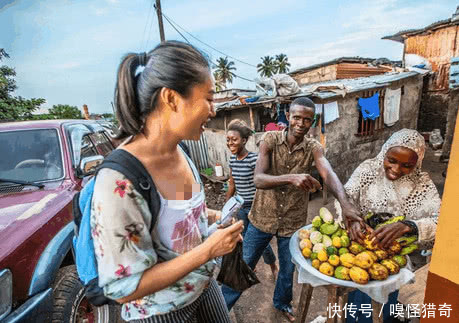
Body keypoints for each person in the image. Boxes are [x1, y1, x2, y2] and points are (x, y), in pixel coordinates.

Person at [90, 41, 244, 322]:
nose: (213, 110)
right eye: (208, 98)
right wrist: (209, 250)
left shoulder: (180, 151)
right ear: (171, 98)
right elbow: (124, 289)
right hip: (161, 312)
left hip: (204, 289)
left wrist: (215, 216)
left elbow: (175, 213)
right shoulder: (118, 183)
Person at [221, 97, 362, 322]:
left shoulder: (314, 147)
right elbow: (258, 179)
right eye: (297, 117)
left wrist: (345, 204)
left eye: (307, 120)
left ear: (312, 122)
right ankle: (220, 308)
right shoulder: (270, 139)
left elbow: (328, 173)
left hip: (292, 222)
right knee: (244, 266)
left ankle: (282, 303)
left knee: (288, 271)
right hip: (261, 218)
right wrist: (291, 178)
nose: (301, 123)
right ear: (288, 117)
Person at [334, 128, 441, 323]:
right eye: (391, 160)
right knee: (358, 307)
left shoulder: (422, 185)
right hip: (359, 252)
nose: (396, 169)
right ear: (384, 153)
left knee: (386, 311)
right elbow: (345, 198)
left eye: (407, 165)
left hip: (392, 262)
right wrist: (352, 220)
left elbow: (440, 222)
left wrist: (409, 226)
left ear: (417, 163)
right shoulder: (368, 170)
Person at [225, 119, 278, 278]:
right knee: (245, 239)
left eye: (234, 139)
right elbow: (232, 185)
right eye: (228, 140)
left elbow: (264, 183)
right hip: (241, 208)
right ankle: (251, 265)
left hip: (256, 207)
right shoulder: (232, 160)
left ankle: (273, 267)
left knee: (259, 241)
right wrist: (227, 207)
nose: (230, 143)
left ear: (244, 140)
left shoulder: (254, 160)